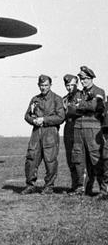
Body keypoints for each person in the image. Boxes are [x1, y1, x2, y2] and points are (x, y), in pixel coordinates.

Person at [21, 74, 65, 195]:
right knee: (31, 159)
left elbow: (61, 117)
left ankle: (49, 187)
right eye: (41, 85)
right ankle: (30, 185)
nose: (43, 88)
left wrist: (44, 120)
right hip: (36, 133)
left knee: (50, 160)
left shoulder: (57, 99)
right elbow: (27, 115)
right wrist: (33, 120)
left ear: (50, 85)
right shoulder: (35, 99)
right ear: (38, 85)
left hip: (50, 133)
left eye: (46, 85)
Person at [70, 66, 106, 197]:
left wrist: (80, 106)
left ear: (91, 78)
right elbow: (70, 109)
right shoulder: (78, 94)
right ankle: (82, 188)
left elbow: (95, 106)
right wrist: (83, 107)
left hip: (93, 129)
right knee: (79, 159)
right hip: (78, 129)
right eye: (81, 79)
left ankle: (104, 190)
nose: (83, 81)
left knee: (96, 159)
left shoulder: (99, 91)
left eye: (85, 78)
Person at [62, 74, 82, 193]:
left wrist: (69, 110)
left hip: (79, 127)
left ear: (77, 84)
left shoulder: (82, 96)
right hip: (68, 127)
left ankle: (81, 185)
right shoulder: (64, 99)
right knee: (70, 157)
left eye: (71, 85)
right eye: (67, 85)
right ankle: (75, 185)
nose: (69, 87)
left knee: (78, 157)